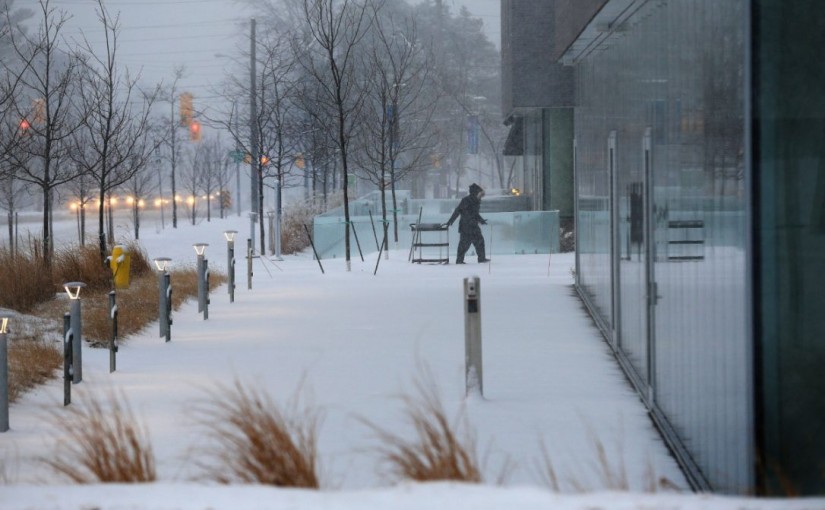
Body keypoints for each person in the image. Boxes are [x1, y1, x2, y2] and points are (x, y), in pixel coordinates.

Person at [444, 183, 490, 264]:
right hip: (466, 226)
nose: (480, 196)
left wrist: (481, 220)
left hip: (473, 225)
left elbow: (475, 214)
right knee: (464, 244)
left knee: (479, 241)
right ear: (475, 192)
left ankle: (481, 258)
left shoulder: (476, 201)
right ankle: (460, 260)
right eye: (479, 193)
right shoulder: (466, 200)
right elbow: (457, 211)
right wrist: (450, 221)